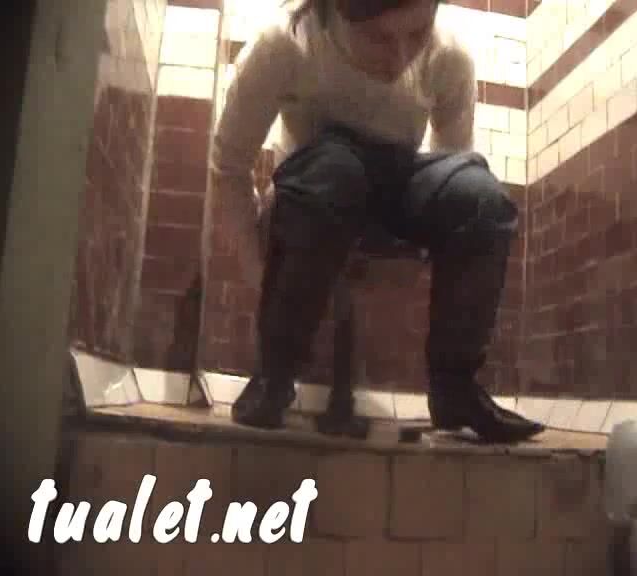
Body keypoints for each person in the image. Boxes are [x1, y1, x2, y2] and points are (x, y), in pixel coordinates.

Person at [211, 0, 545, 442]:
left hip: (394, 184)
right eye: (378, 39)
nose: (400, 57)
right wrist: (261, 275)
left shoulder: (449, 56)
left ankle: (455, 390)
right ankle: (276, 373)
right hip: (313, 193)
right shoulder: (285, 43)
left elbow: (452, 164)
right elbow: (229, 167)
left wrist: (431, 260)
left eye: (417, 34)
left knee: (481, 195)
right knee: (336, 171)